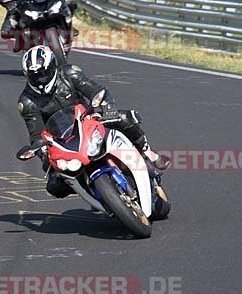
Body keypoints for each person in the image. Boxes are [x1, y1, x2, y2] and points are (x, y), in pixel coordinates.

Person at [17, 45, 170, 198]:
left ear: (53, 67)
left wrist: (106, 106)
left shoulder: (70, 73)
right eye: (35, 76)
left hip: (89, 119)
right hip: (63, 139)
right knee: (53, 185)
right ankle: (92, 192)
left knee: (124, 118)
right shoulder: (27, 102)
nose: (40, 79)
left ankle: (148, 152)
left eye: (44, 73)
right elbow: (36, 133)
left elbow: (96, 90)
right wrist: (42, 151)